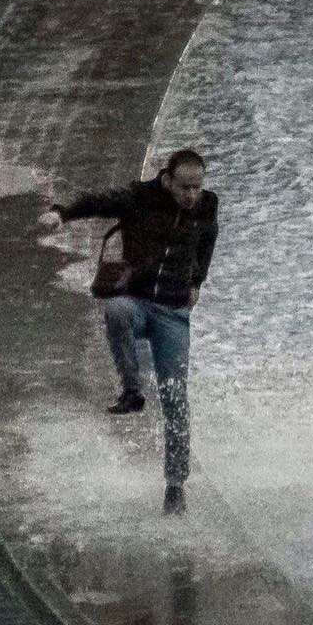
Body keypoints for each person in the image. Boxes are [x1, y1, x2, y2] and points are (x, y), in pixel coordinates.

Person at [37, 149, 218, 516]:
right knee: (116, 309)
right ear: (167, 180)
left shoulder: (207, 206)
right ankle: (131, 390)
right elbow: (97, 202)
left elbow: (207, 241)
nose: (190, 195)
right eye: (184, 187)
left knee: (175, 401)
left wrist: (197, 280)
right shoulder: (140, 199)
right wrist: (63, 213)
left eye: (196, 187)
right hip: (137, 301)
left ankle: (175, 486)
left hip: (173, 314)